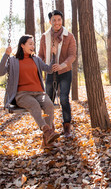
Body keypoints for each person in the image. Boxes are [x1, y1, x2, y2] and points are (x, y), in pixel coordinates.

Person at [0, 35, 60, 148]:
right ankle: (47, 132)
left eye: (33, 44)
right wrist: (6, 54)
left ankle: (46, 141)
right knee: (34, 105)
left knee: (49, 105)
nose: (33, 46)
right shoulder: (13, 60)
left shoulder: (36, 59)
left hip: (39, 93)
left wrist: (54, 55)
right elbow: (0, 72)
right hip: (22, 94)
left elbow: (49, 69)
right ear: (22, 45)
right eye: (30, 43)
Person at [38, 10, 77, 138]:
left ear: (62, 20)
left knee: (64, 99)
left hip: (65, 71)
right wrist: (47, 64)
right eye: (54, 20)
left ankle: (67, 128)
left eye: (59, 20)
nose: (57, 22)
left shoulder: (69, 36)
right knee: (48, 100)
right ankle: (49, 129)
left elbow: (72, 55)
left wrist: (61, 65)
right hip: (50, 73)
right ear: (50, 21)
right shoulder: (45, 37)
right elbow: (40, 56)